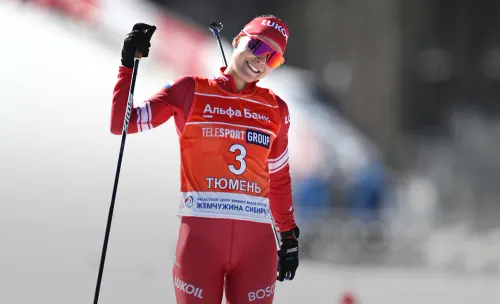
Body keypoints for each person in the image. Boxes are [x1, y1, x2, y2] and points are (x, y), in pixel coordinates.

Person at [110, 15, 300, 303]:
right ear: (238, 40)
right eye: (258, 47)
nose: (261, 60)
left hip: (256, 248)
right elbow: (123, 124)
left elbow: (279, 178)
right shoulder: (189, 90)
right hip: (201, 243)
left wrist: (287, 237)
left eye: (273, 59)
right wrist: (127, 64)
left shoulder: (276, 109)